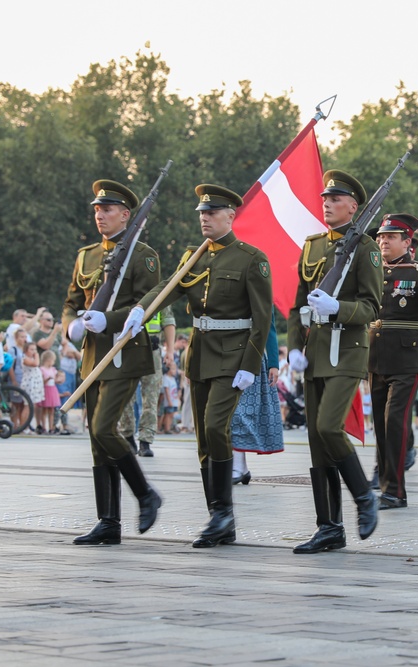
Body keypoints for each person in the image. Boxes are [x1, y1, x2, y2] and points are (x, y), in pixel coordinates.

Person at [130, 183, 272, 547]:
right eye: (202, 214)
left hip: (233, 357)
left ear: (230, 216)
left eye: (211, 213)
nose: (205, 219)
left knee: (215, 427)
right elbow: (167, 288)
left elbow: (262, 318)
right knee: (204, 440)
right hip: (201, 355)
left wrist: (251, 363)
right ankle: (219, 518)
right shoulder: (193, 257)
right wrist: (139, 310)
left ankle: (223, 512)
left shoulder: (250, 258)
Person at [64, 179, 163, 546]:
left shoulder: (144, 255)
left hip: (125, 354)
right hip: (92, 356)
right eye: (96, 209)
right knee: (95, 438)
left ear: (125, 214)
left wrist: (112, 319)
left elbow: (148, 302)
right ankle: (108, 521)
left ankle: (145, 493)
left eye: (106, 210)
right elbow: (72, 300)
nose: (99, 215)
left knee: (106, 429)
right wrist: (71, 325)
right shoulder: (86, 255)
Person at [287, 170, 380, 553]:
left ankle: (363, 497)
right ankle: (329, 527)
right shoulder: (311, 247)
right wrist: (295, 346)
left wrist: (337, 308)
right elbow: (296, 305)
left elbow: (373, 307)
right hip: (315, 354)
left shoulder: (366, 248)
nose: (326, 203)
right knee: (315, 440)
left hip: (347, 351)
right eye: (325, 198)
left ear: (353, 207)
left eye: (336, 199)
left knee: (328, 427)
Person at [368, 214, 418, 508]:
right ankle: (382, 476)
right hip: (375, 356)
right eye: (380, 237)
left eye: (390, 237)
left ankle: (395, 491)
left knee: (394, 422)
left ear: (407, 242)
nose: (383, 241)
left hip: (406, 358)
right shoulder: (372, 272)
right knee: (379, 423)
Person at [230, 307, 285, 485]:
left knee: (239, 413)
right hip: (228, 355)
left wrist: (274, 363)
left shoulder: (259, 283)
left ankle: (238, 467)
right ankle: (241, 467)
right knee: (230, 413)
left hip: (251, 357)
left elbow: (269, 325)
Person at [118, 305, 176, 457]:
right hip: (128, 349)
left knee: (151, 398)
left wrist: (170, 351)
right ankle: (128, 437)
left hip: (152, 350)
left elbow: (168, 322)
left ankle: (145, 441)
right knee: (126, 397)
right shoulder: (127, 291)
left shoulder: (160, 295)